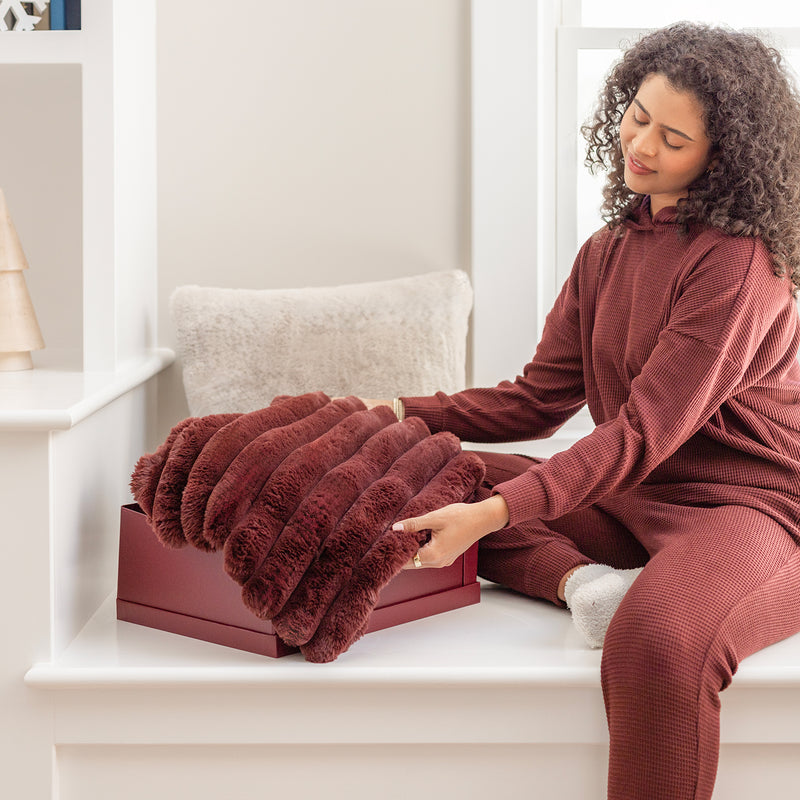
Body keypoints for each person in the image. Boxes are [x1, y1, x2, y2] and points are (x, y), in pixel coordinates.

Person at [365, 22, 800, 800]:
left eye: (673, 137)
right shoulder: (608, 248)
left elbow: (640, 433)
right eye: (637, 114)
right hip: (636, 502)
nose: (641, 145)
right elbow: (538, 398)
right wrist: (400, 411)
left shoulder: (740, 264)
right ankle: (586, 585)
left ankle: (636, 596)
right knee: (418, 476)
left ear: (722, 158)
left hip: (753, 509)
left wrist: (500, 514)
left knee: (657, 641)